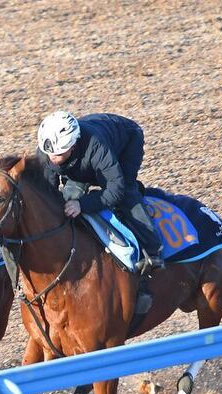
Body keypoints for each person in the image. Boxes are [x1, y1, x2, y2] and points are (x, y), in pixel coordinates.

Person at [37, 111, 164, 273]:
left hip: (125, 142)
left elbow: (116, 188)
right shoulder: (46, 151)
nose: (52, 158)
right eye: (49, 154)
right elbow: (46, 192)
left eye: (59, 154)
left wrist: (82, 204)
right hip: (83, 162)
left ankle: (153, 249)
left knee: (125, 193)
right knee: (67, 199)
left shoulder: (97, 147)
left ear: (73, 145)